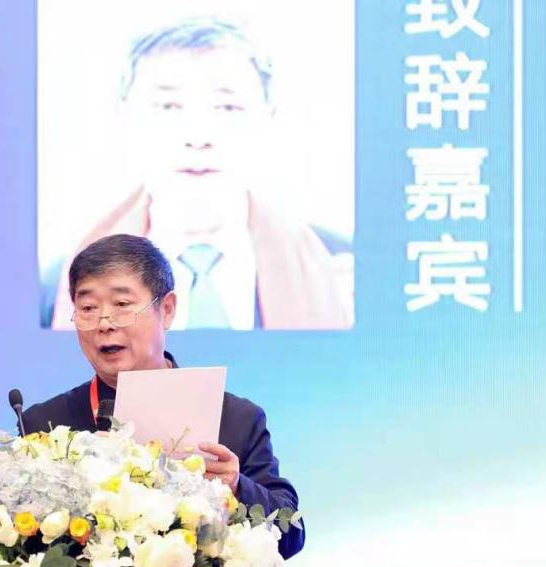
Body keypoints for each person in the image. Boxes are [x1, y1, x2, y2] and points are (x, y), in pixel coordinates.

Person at [41, 16, 353, 331]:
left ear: (268, 119)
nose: (198, 136)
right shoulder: (58, 289)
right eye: (168, 107)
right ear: (124, 119)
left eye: (227, 108)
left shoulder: (340, 274)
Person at [24, 233, 304, 558]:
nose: (104, 323)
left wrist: (237, 487)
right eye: (87, 308)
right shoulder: (45, 425)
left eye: (122, 305)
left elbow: (291, 537)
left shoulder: (234, 418)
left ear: (167, 310)